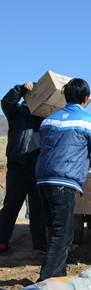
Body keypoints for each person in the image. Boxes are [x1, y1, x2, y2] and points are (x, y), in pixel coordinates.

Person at [36, 78, 91, 281]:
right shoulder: (88, 121)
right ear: (86, 99)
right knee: (62, 234)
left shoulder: (48, 120)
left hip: (43, 179)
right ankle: (45, 282)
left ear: (65, 96)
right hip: (64, 181)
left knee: (53, 230)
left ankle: (57, 277)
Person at [0, 82, 47, 254]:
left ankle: (39, 242)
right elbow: (6, 102)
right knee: (11, 206)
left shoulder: (46, 117)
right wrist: (20, 88)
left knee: (38, 208)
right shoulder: (17, 113)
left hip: (38, 168)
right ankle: (2, 242)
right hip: (17, 167)